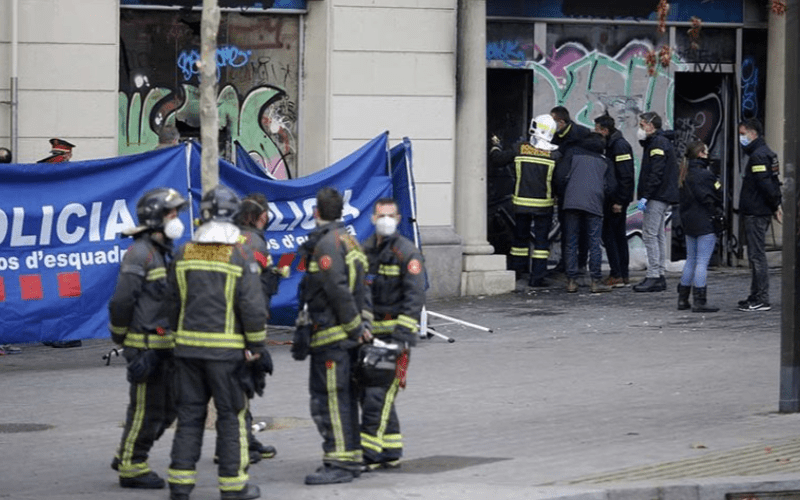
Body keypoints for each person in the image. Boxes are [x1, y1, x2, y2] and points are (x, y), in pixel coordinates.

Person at [166, 185, 268, 500]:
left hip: (186, 352)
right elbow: (252, 307)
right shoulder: (240, 254)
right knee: (231, 417)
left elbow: (171, 302)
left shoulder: (183, 253)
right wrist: (256, 347)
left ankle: (180, 486)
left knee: (190, 416)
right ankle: (233, 486)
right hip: (227, 355)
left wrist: (175, 340)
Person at [108, 187, 188, 489]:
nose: (177, 219)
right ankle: (132, 466)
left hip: (164, 347)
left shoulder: (163, 252)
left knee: (168, 409)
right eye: (172, 213)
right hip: (144, 348)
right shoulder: (140, 253)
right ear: (156, 218)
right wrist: (122, 337)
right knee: (147, 409)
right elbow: (121, 301)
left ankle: (126, 451)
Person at [294, 186, 371, 485]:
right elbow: (362, 289)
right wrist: (360, 327)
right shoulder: (351, 241)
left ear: (316, 212)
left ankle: (340, 462)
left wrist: (353, 327)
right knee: (346, 398)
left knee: (330, 399)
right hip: (344, 336)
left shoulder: (328, 245)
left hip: (332, 337)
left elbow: (338, 290)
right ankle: (351, 454)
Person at [360, 198, 425, 470]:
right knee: (371, 393)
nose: (385, 219)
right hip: (369, 335)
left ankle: (368, 453)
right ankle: (391, 449)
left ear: (398, 219)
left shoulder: (408, 253)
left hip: (395, 337)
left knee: (380, 395)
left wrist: (402, 338)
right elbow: (359, 290)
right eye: (380, 215)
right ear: (373, 219)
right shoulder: (365, 251)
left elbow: (414, 297)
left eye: (390, 215)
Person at [233, 193, 283, 464]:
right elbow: (253, 290)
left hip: (234, 322)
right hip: (243, 326)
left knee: (241, 387)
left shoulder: (239, 237)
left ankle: (244, 440)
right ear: (261, 215)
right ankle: (237, 446)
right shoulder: (253, 242)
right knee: (240, 386)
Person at [555, 133, 614, 293]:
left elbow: (560, 177)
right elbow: (611, 186)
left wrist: (563, 194)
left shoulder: (572, 156)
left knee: (571, 242)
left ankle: (571, 281)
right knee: (594, 243)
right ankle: (595, 281)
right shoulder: (605, 162)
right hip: (594, 203)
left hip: (571, 202)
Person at [508, 114, 560, 288]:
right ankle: (537, 277)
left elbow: (498, 160)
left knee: (520, 240)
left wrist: (495, 147)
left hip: (521, 204)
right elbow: (558, 181)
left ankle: (517, 272)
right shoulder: (554, 155)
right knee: (541, 243)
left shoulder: (520, 148)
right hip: (543, 206)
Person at [737, 118, 783, 312]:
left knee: (757, 257)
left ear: (752, 134)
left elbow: (766, 185)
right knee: (756, 256)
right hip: (759, 210)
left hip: (756, 212)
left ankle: (761, 298)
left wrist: (775, 206)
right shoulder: (765, 153)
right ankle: (755, 295)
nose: (741, 138)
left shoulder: (758, 156)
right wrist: (775, 205)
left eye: (742, 134)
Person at [633, 111, 679, 292]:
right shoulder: (658, 142)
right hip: (660, 195)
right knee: (658, 235)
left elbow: (656, 172)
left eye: (642, 125)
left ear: (651, 125)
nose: (641, 128)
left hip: (657, 196)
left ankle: (653, 275)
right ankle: (658, 274)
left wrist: (647, 195)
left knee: (650, 235)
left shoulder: (658, 143)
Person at [676, 141, 722, 313]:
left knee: (691, 259)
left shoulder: (684, 174)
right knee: (702, 261)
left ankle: (683, 299)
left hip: (689, 221)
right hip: (705, 221)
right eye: (707, 151)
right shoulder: (706, 175)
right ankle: (699, 301)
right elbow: (715, 196)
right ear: (701, 153)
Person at [550, 106, 592, 280]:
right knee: (566, 228)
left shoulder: (581, 134)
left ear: (561, 122)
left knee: (582, 229)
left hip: (579, 188)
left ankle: (581, 263)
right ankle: (565, 263)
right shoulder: (554, 135)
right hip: (563, 190)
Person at [594, 113, 635, 287]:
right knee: (617, 236)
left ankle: (617, 274)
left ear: (605, 130)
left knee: (612, 236)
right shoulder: (613, 144)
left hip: (616, 200)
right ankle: (621, 274)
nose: (595, 133)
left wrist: (619, 201)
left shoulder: (619, 146)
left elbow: (626, 176)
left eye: (597, 130)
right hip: (615, 198)